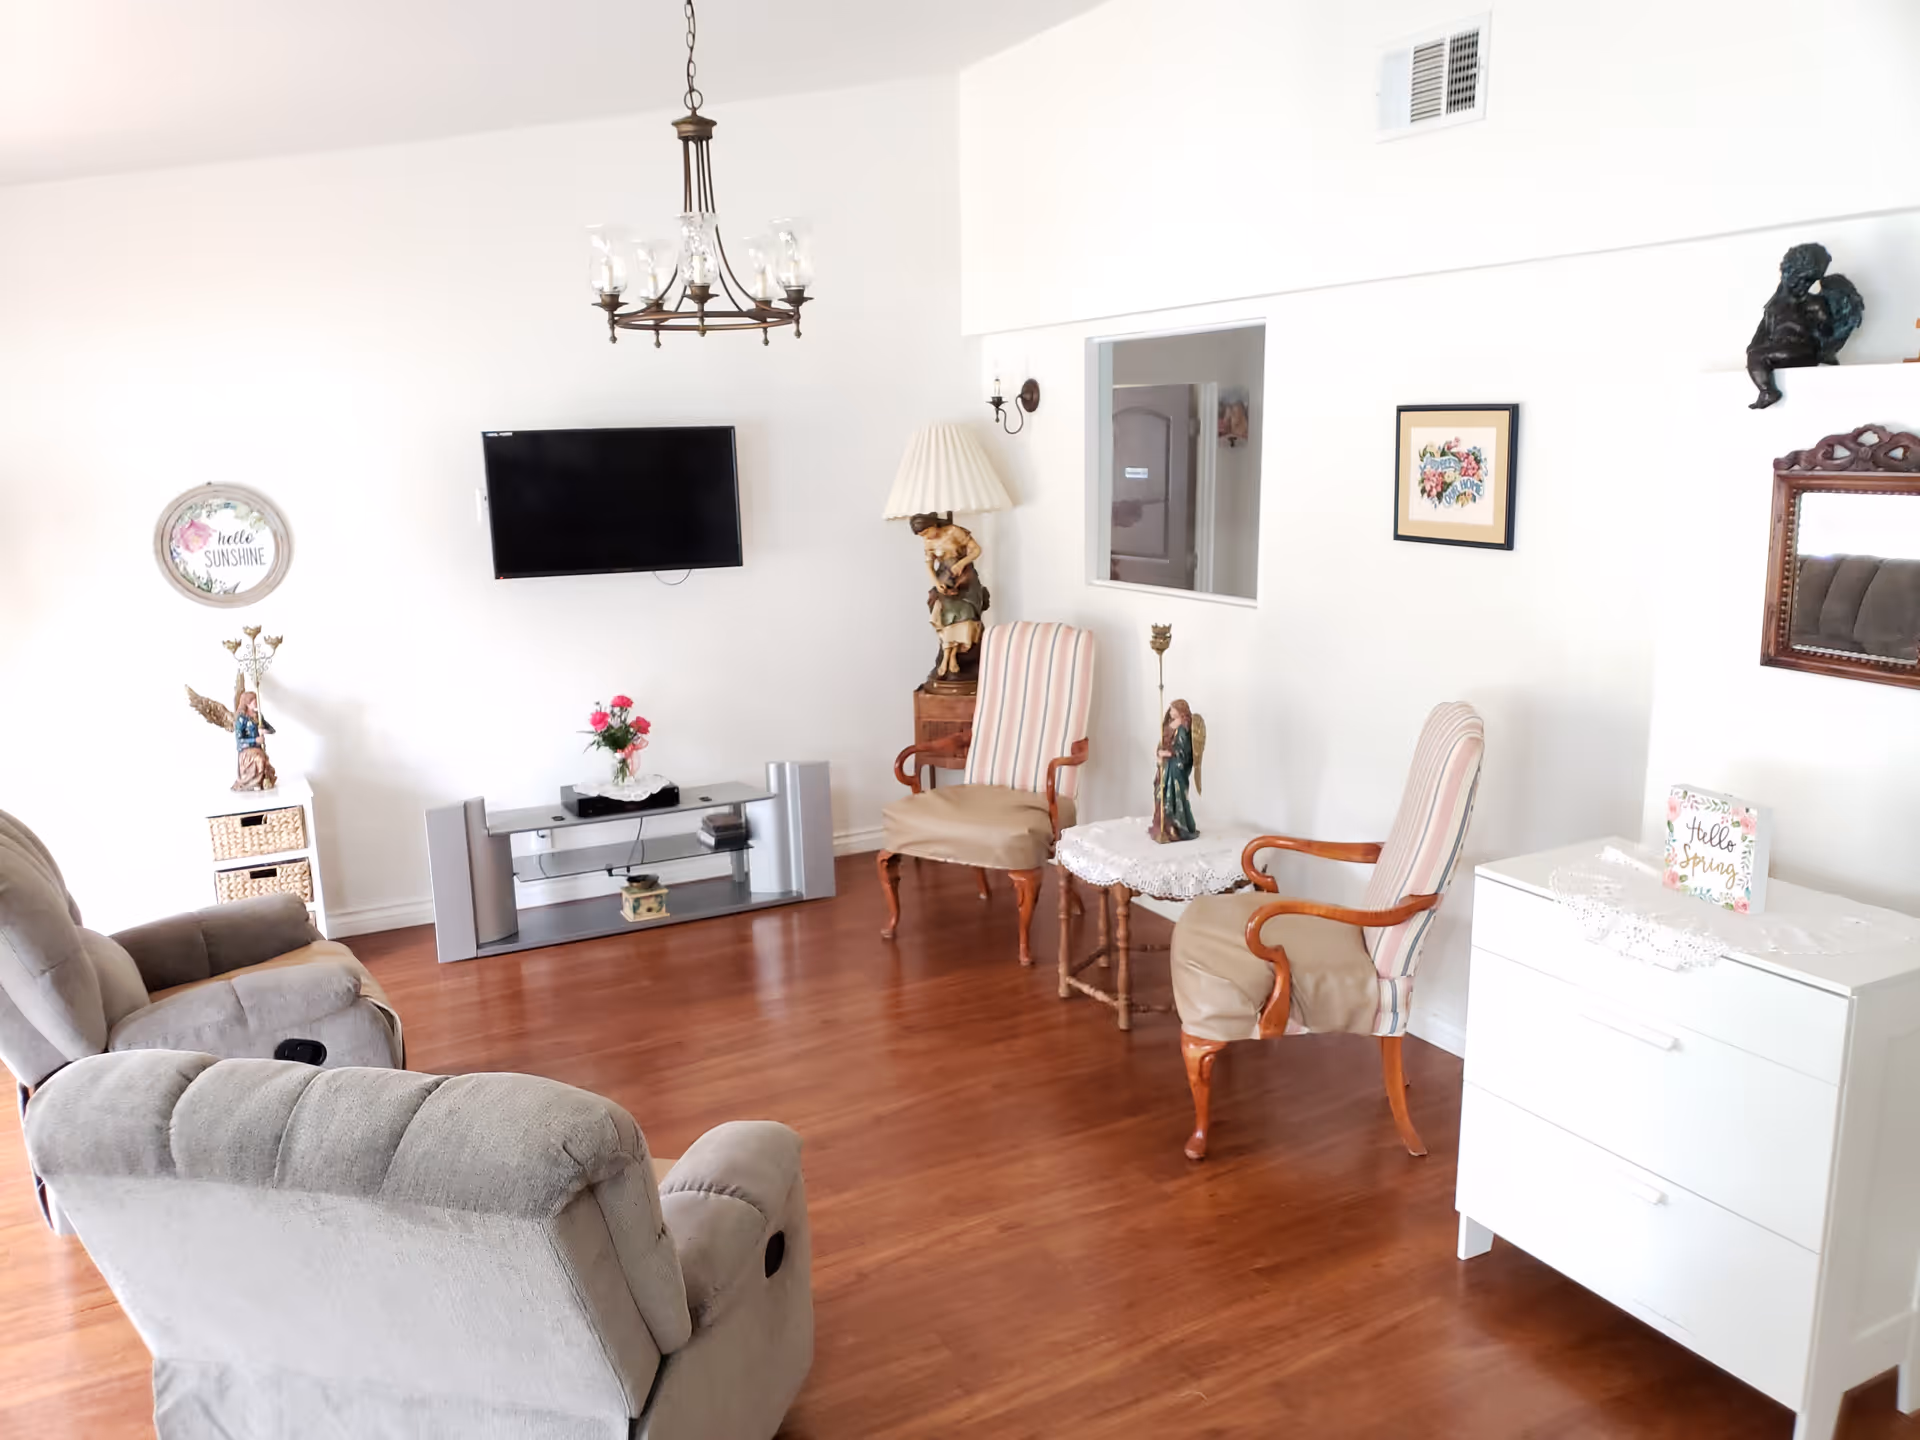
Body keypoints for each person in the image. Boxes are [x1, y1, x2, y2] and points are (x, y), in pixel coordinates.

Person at [1149, 700, 1201, 844]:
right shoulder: (1170, 724)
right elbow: (1162, 742)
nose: (1170, 711)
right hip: (1166, 765)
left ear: (1180, 711)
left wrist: (1169, 753)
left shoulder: (1183, 727)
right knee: (1160, 792)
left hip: (1175, 768)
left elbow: (1184, 751)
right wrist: (1160, 752)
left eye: (1173, 709)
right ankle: (1163, 825)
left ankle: (1176, 826)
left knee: (1173, 794)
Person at [232, 691, 278, 791]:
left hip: (258, 749)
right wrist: (255, 740)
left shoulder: (258, 716)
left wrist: (264, 730)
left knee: (264, 759)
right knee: (259, 759)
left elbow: (272, 730)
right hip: (247, 751)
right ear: (247, 703)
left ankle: (262, 780)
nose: (256, 702)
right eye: (254, 700)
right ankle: (253, 782)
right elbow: (240, 740)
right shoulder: (241, 719)